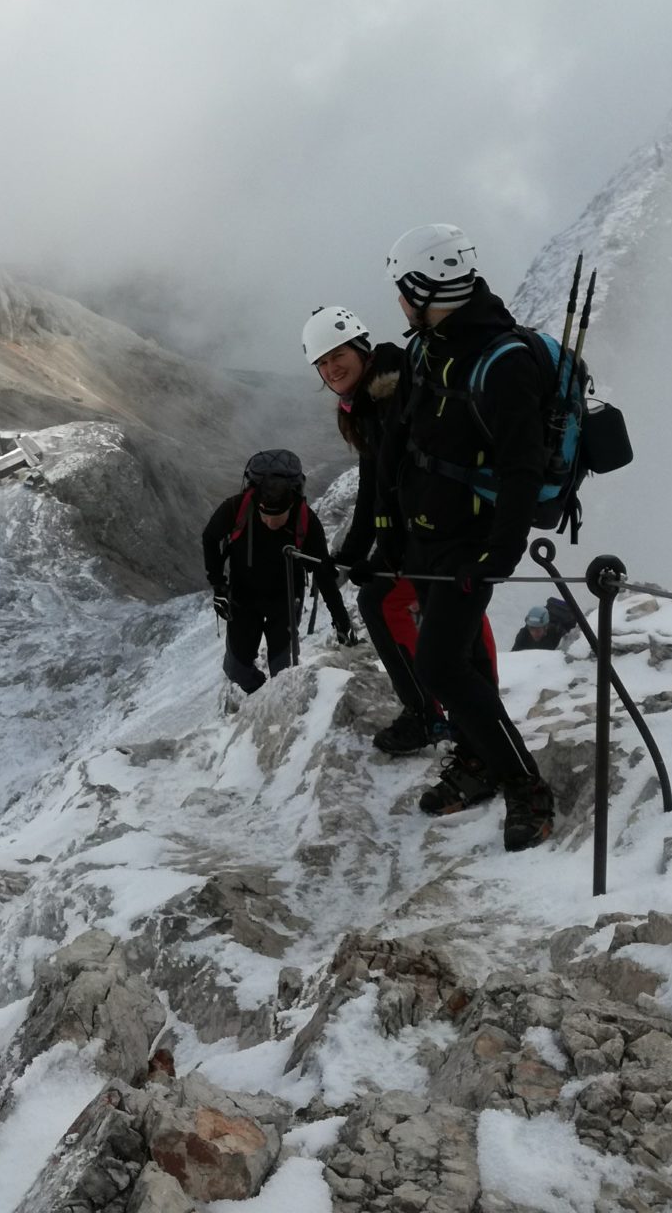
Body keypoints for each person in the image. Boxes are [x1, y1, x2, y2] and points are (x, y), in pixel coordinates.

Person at [387, 223, 559, 850]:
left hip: (471, 544)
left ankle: (526, 787)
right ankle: (482, 759)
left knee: (438, 666)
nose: (399, 304)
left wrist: (497, 557)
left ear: (425, 288)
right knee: (459, 665)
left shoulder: (502, 362)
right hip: (427, 538)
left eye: (403, 292)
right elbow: (408, 442)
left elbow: (522, 468)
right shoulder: (426, 348)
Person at [301, 305, 498, 761]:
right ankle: (431, 712)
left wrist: (383, 549)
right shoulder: (370, 398)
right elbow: (376, 482)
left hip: (447, 527)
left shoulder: (393, 391)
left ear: (360, 348)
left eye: (338, 355)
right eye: (322, 363)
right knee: (381, 601)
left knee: (435, 613)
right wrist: (353, 554)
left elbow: (395, 481)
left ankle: (467, 718)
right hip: (424, 529)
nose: (331, 368)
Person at [203, 449, 352, 694]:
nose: (271, 523)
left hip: (285, 601)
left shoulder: (306, 520)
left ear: (292, 503)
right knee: (236, 669)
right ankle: (263, 696)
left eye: (279, 518)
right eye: (265, 516)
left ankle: (276, 700)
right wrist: (218, 586)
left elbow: (323, 572)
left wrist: (341, 621)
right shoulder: (237, 507)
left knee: (283, 672)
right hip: (243, 597)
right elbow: (210, 538)